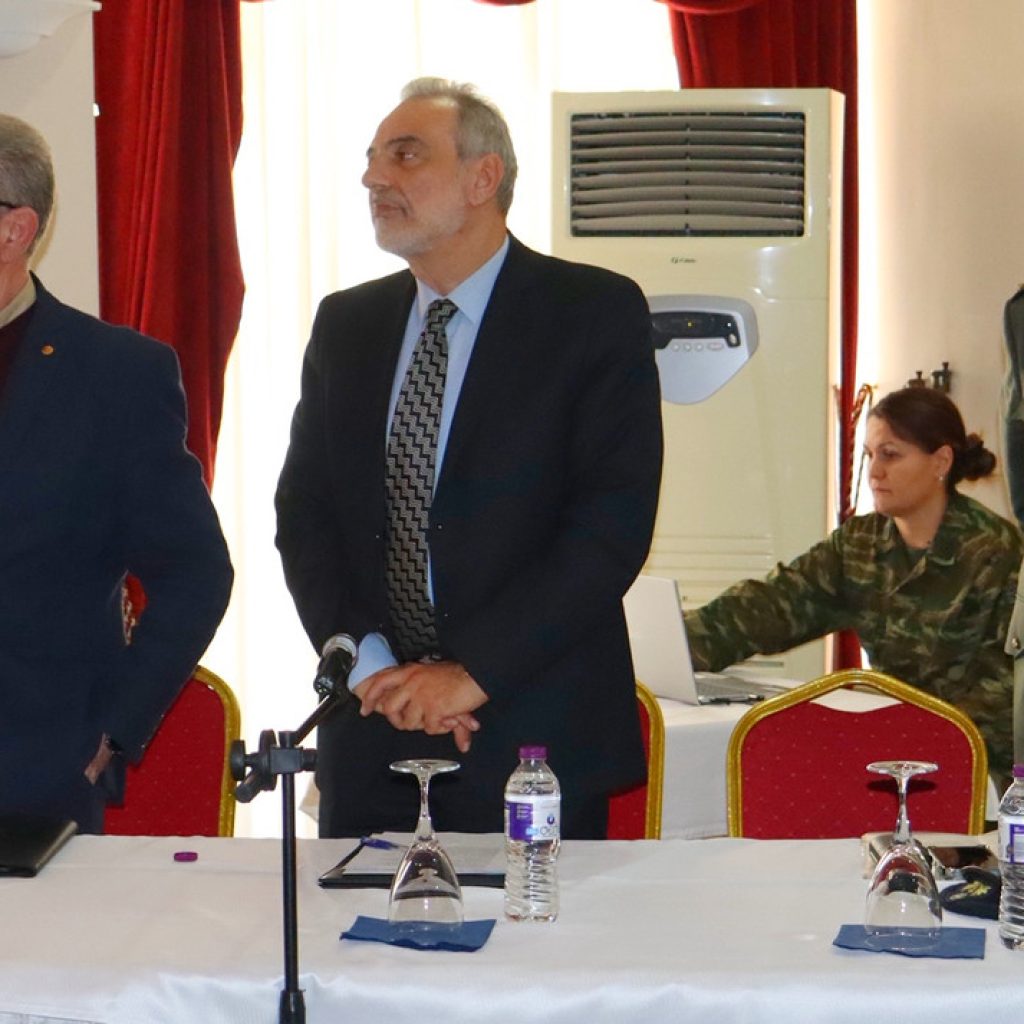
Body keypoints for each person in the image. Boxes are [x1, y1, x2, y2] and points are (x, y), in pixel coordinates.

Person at [275, 77, 663, 838]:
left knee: (528, 924)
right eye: (372, 158)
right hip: (375, 725)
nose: (373, 177)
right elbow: (305, 515)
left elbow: (609, 527)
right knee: (355, 921)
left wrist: (470, 675)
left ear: (484, 177)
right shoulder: (348, 323)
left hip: (531, 729)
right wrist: (371, 669)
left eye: (405, 155)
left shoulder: (591, 313)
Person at [0, 114, 233, 832]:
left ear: (14, 229)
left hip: (32, 779)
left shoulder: (114, 376)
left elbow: (196, 572)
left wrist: (116, 729)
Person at [684, 386, 1022, 790]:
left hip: (982, 776)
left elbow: (1004, 697)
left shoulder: (996, 551)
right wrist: (675, 642)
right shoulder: (859, 544)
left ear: (941, 461)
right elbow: (773, 605)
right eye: (869, 454)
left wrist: (888, 735)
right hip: (888, 760)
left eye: (890, 455)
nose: (874, 472)